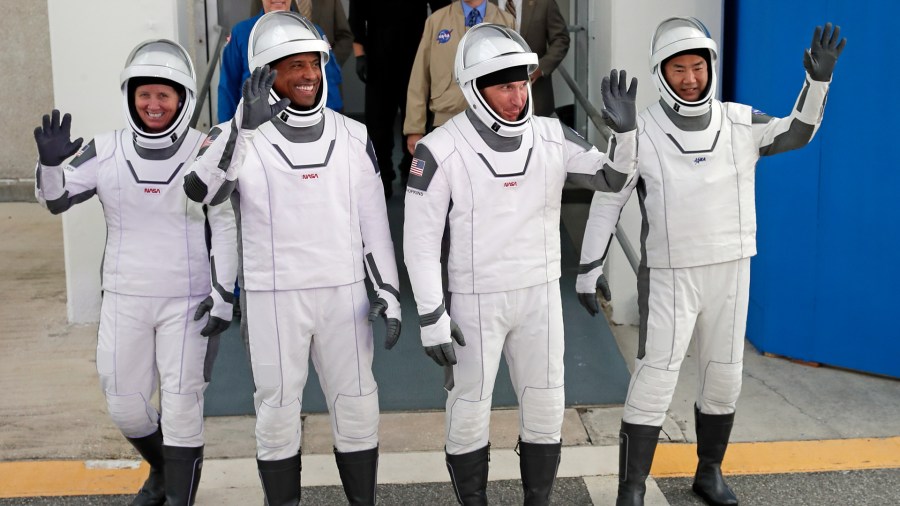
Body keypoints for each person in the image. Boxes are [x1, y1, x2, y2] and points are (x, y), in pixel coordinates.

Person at [575, 18, 846, 506]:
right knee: (655, 377)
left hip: (732, 266)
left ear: (710, 68)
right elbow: (608, 198)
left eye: (697, 67)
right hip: (669, 273)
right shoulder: (642, 130)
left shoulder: (740, 122)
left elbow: (797, 132)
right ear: (661, 73)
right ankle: (631, 487)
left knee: (724, 375)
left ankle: (709, 471)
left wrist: (818, 81)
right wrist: (588, 268)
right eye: (678, 69)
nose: (690, 78)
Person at [403, 23, 638, 505]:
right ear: (474, 88)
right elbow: (420, 242)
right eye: (504, 87)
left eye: (521, 84)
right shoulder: (439, 149)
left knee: (548, 405)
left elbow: (612, 178)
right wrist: (431, 315)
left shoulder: (552, 134)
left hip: (539, 295)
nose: (516, 97)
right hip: (474, 302)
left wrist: (626, 135)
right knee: (468, 409)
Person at [183, 11, 401, 505]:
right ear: (266, 73)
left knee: (359, 408)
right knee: (278, 413)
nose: (309, 75)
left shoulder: (353, 135)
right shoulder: (232, 135)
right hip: (274, 299)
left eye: (315, 64)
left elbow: (373, 226)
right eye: (295, 65)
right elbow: (199, 190)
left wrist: (388, 292)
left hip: (343, 294)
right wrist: (242, 125)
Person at [33, 39, 237, 506]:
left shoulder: (206, 149)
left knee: (183, 405)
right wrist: (48, 166)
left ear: (183, 98)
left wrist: (224, 293)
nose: (153, 104)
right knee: (126, 406)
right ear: (130, 96)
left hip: (190, 301)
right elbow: (56, 198)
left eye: (164, 95)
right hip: (124, 298)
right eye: (145, 94)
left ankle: (178, 492)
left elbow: (226, 226)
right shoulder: (105, 150)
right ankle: (165, 470)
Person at [348, 0, 451, 197]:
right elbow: (356, 17)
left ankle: (412, 174)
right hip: (378, 55)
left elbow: (443, 6)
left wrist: (430, 34)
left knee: (417, 122)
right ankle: (381, 177)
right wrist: (360, 55)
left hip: (416, 56)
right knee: (378, 124)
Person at [404, 0, 514, 157]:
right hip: (446, 120)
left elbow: (518, 75)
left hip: (493, 120)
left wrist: (524, 124)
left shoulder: (505, 21)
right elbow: (419, 76)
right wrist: (414, 128)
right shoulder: (436, 21)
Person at [217, 0, 343, 124]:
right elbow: (228, 87)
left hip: (305, 127)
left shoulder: (313, 32)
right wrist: (228, 131)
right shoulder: (241, 33)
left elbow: (329, 84)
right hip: (256, 129)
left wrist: (329, 127)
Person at [494, 0, 569, 117]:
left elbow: (561, 39)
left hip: (535, 93)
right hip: (492, 93)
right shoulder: (481, 3)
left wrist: (541, 67)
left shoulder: (544, 3)